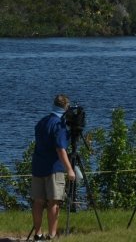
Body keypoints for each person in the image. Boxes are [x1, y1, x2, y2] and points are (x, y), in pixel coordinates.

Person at [30, 94, 76, 241]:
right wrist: (69, 169)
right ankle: (52, 235)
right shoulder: (59, 125)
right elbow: (60, 149)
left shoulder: (42, 122)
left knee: (38, 201)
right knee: (54, 202)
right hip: (53, 168)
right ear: (66, 107)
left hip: (38, 165)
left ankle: (38, 234)